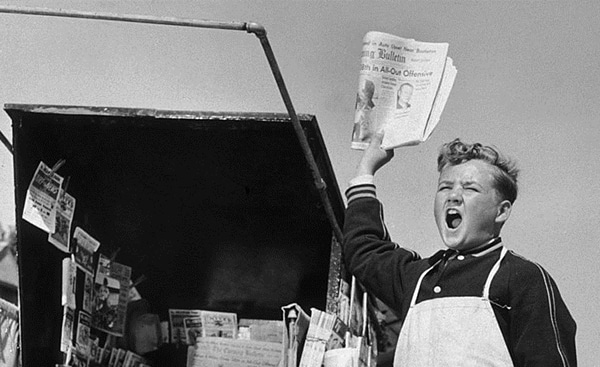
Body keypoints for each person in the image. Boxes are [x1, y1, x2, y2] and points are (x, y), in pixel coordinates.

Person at [343, 133, 577, 366]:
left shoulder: (522, 277)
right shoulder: (418, 278)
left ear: (501, 211)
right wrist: (366, 168)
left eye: (470, 189)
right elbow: (363, 249)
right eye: (445, 187)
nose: (453, 196)